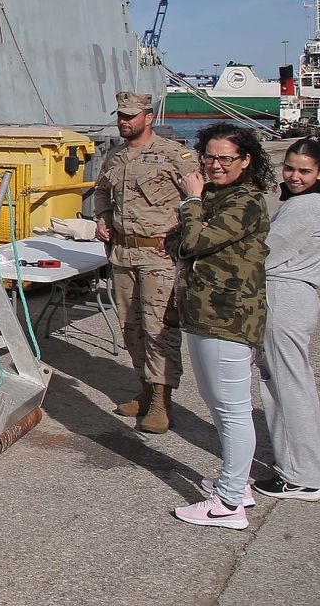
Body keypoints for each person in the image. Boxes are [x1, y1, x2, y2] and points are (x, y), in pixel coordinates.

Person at [172, 123, 274, 529]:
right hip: (205, 314)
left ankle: (228, 504)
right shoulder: (222, 196)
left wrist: (191, 200)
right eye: (210, 157)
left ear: (246, 161)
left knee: (232, 411)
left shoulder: (246, 201)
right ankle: (237, 484)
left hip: (226, 317)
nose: (215, 165)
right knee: (218, 406)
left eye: (225, 158)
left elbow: (194, 241)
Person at [91, 91, 196, 433]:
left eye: (130, 116)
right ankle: (146, 389)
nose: (123, 121)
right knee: (131, 327)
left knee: (158, 328)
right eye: (120, 115)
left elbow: (199, 197)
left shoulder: (173, 155)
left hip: (159, 256)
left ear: (148, 117)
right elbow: (102, 191)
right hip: (122, 255)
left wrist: (185, 236)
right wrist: (103, 218)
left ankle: (162, 402)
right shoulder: (115, 157)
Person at [254, 137, 320, 500]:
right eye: (289, 168)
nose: (294, 176)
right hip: (294, 298)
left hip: (284, 297)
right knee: (294, 383)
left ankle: (302, 475)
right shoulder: (313, 203)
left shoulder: (306, 206)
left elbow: (264, 254)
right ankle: (314, 465)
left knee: (286, 387)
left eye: (305, 171)